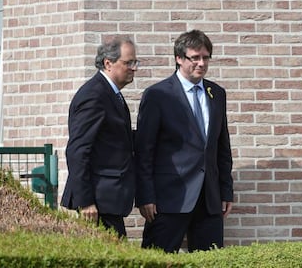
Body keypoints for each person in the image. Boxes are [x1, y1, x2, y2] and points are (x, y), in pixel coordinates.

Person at [135, 29, 233, 253]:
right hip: (168, 200)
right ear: (179, 58)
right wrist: (145, 196)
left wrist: (226, 191)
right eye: (195, 57)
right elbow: (144, 151)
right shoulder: (158, 95)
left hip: (209, 200)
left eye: (206, 57)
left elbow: (222, 148)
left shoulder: (217, 93)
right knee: (157, 260)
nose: (201, 63)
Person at [61, 35, 139, 238]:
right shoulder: (94, 95)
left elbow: (113, 139)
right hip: (96, 204)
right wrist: (85, 201)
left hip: (108, 201)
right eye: (128, 62)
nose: (134, 68)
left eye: (135, 62)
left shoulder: (111, 94)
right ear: (108, 63)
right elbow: (78, 150)